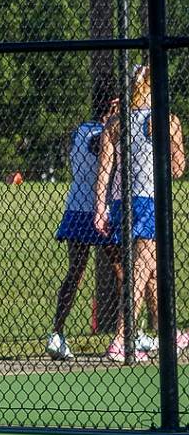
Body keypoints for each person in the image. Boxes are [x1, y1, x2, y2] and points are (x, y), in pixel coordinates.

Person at [93, 64, 187, 361]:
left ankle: (167, 333)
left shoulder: (116, 122)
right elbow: (178, 168)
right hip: (148, 200)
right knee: (140, 272)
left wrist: (99, 209)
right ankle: (122, 339)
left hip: (122, 203)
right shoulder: (165, 119)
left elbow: (105, 170)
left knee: (152, 273)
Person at [46, 103, 116, 360]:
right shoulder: (102, 133)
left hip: (76, 206)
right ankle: (129, 333)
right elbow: (106, 156)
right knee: (124, 271)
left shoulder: (78, 131)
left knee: (76, 270)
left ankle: (56, 332)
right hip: (100, 209)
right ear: (110, 106)